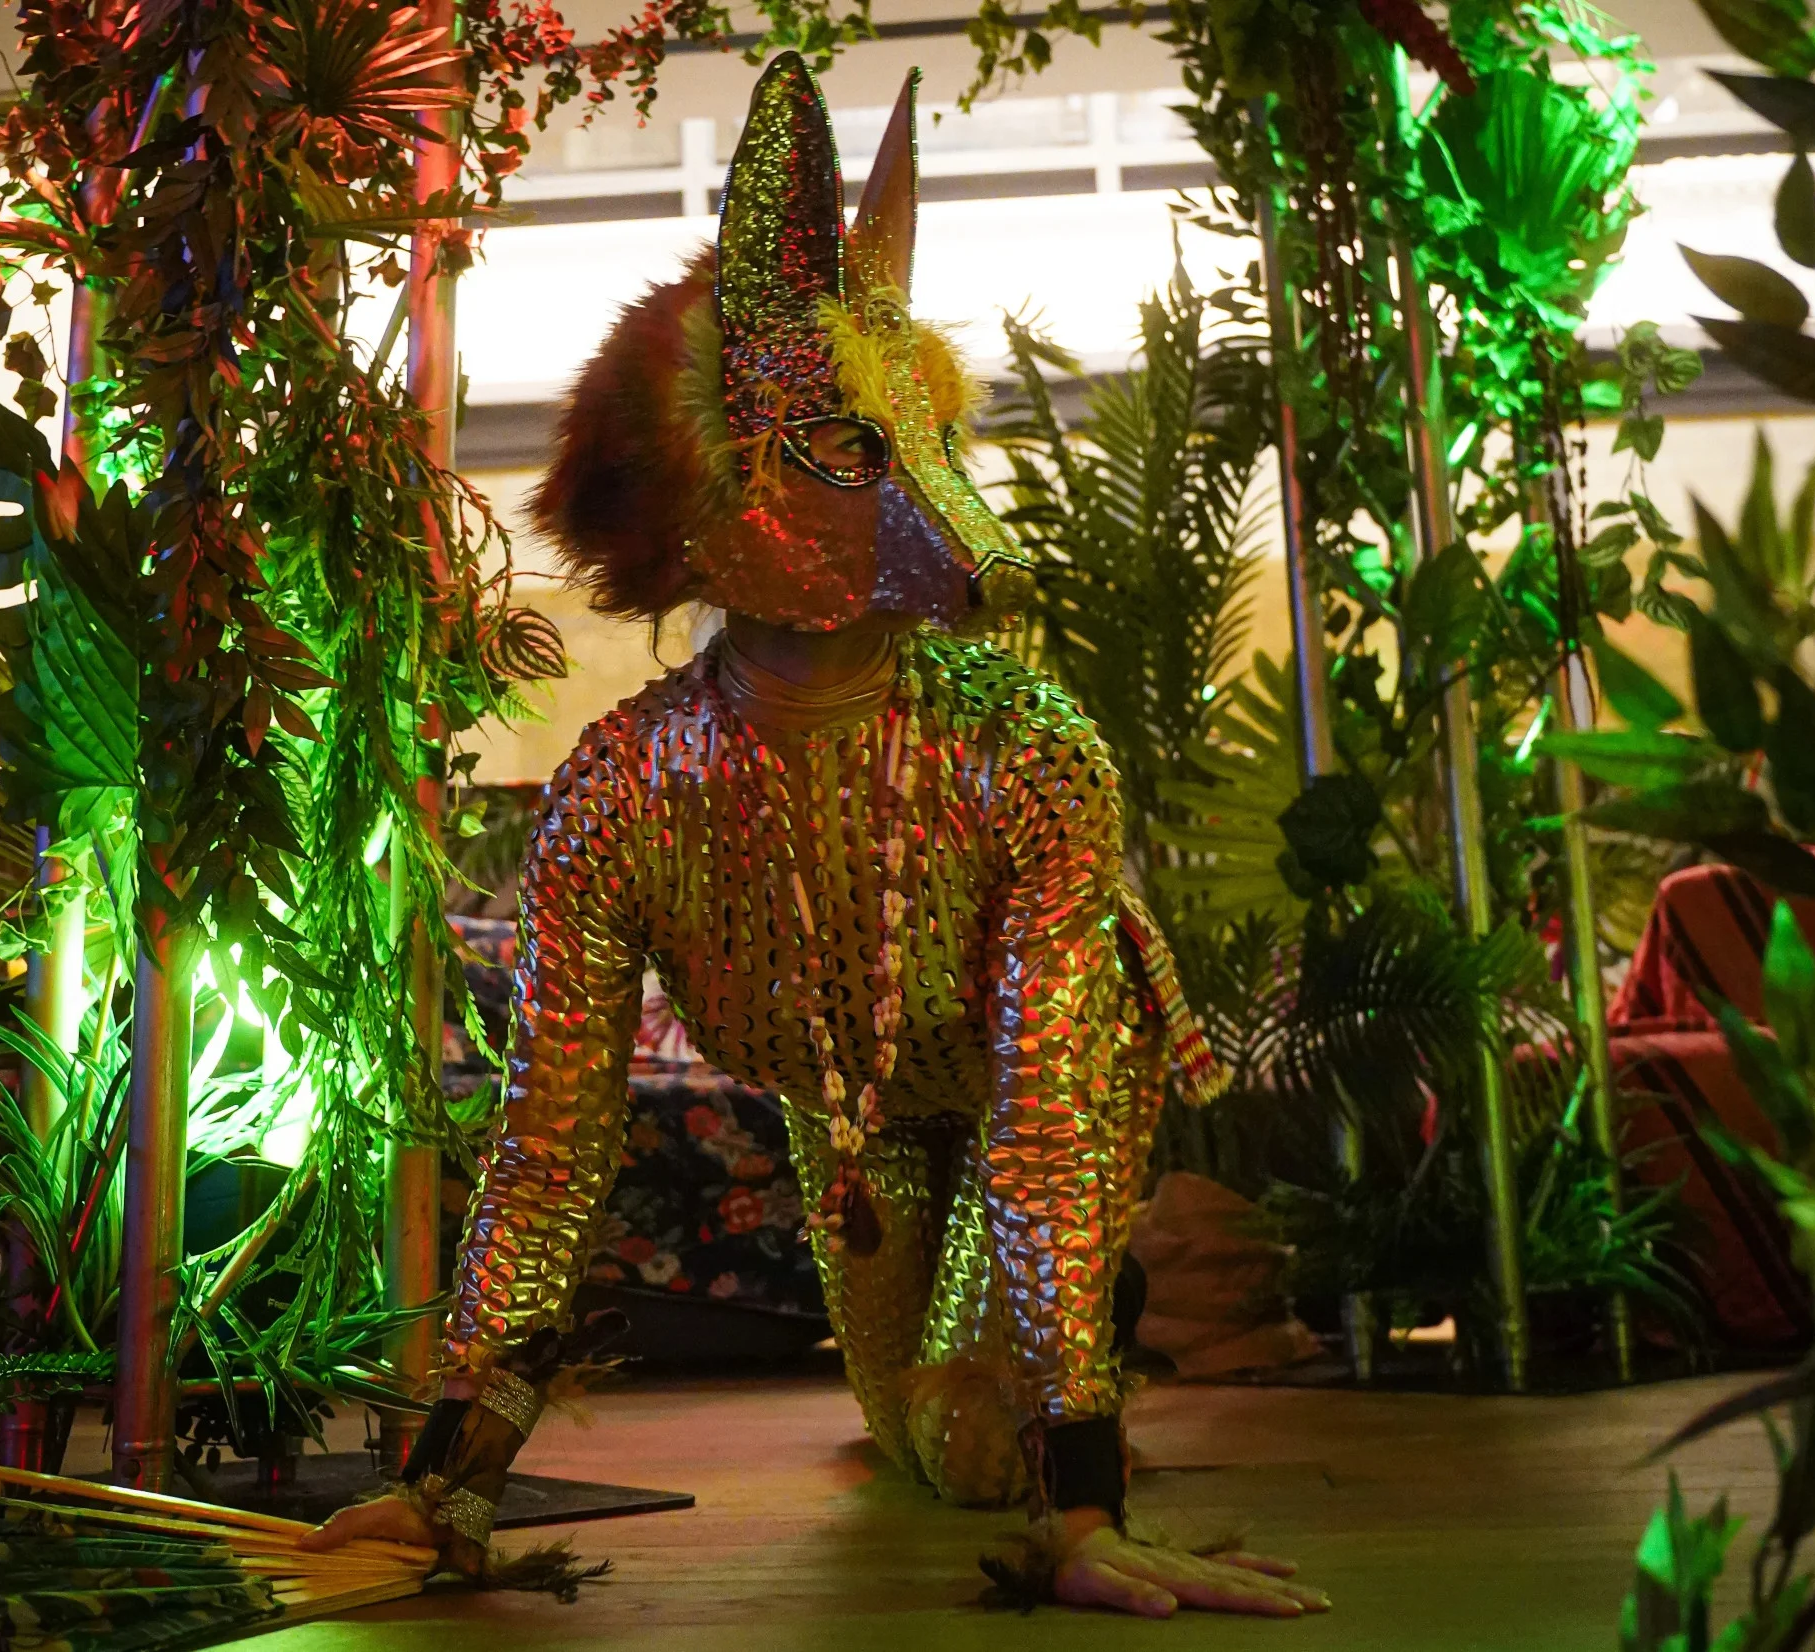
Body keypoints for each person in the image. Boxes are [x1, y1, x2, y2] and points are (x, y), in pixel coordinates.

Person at [306, 53, 1327, 1621]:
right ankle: (1000, 1388)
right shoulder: (624, 793)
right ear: (718, 471)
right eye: (850, 452)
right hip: (843, 1113)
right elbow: (551, 1146)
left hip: (1017, 1087)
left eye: (917, 444)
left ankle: (1062, 1378)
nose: (949, 524)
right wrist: (445, 1482)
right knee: (916, 1434)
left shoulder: (1023, 752)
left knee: (980, 1437)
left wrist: (1084, 1502)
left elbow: (1048, 1105)